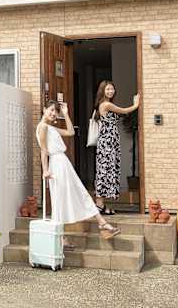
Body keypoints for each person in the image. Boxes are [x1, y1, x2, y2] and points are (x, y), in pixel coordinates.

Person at [37, 100, 120, 247]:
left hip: (63, 164)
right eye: (51, 110)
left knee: (76, 193)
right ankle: (64, 236)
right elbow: (43, 150)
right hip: (57, 165)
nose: (53, 113)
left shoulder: (50, 127)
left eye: (55, 111)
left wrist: (66, 114)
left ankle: (100, 223)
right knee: (60, 199)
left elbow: (71, 132)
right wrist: (45, 170)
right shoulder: (43, 127)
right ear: (44, 110)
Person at [93, 81, 140, 215]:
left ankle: (101, 204)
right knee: (104, 170)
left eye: (112, 89)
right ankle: (99, 204)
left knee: (105, 170)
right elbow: (124, 111)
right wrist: (136, 104)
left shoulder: (105, 104)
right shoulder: (106, 104)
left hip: (109, 140)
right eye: (108, 89)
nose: (111, 91)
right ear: (103, 91)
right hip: (107, 141)